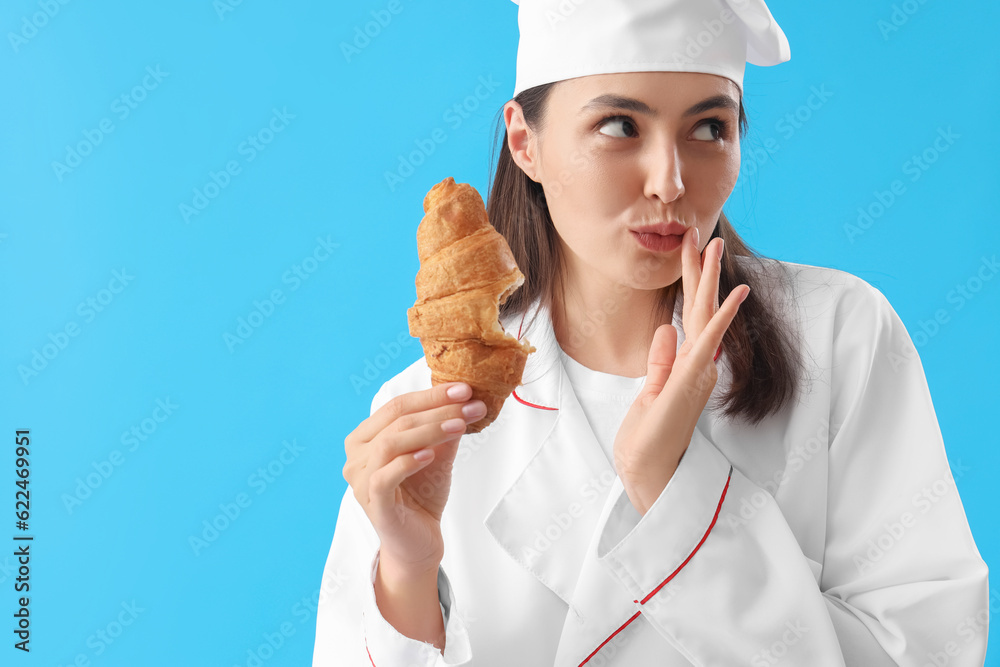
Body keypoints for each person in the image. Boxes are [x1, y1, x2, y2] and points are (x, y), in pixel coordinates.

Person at [313, 0, 990, 665]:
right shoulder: (428, 418)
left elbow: (928, 650)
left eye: (708, 129)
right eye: (619, 125)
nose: (669, 182)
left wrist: (676, 489)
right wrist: (407, 571)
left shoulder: (841, 336)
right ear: (526, 142)